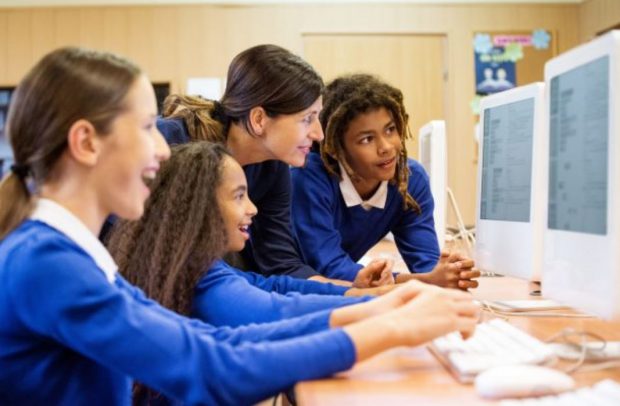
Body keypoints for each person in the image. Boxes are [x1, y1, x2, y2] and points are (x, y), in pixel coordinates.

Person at [0, 47, 479, 405]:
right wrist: (390, 327)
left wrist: (380, 311)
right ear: (86, 143)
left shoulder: (67, 254)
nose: (164, 149)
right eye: (147, 127)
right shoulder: (47, 264)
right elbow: (209, 366)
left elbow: (212, 341)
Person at [155, 44, 393, 287]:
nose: (319, 134)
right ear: (259, 119)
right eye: (307, 119)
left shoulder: (273, 167)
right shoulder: (169, 144)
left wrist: (352, 288)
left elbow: (280, 262)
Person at [108, 141, 383, 330]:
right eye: (239, 196)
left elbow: (273, 287)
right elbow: (275, 311)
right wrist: (382, 308)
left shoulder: (197, 265)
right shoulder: (197, 278)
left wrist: (360, 294)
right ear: (199, 206)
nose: (253, 208)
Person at [291, 74, 480, 290]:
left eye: (390, 130)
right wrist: (422, 281)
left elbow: (426, 265)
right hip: (292, 289)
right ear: (334, 148)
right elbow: (329, 267)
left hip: (340, 292)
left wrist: (447, 274)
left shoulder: (409, 179)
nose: (386, 147)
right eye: (367, 139)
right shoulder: (308, 177)